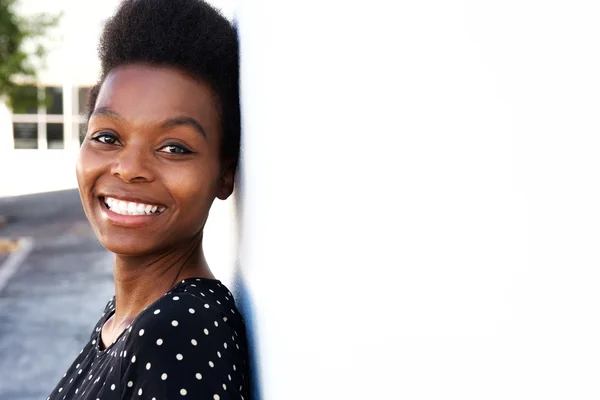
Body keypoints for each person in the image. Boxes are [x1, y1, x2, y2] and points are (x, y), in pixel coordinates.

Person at [47, 0, 248, 398]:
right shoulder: (125, 318)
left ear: (224, 173)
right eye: (107, 137)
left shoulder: (179, 331)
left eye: (173, 147)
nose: (128, 168)